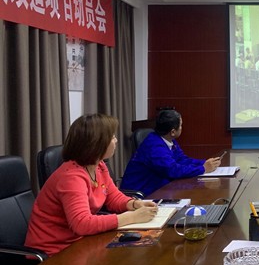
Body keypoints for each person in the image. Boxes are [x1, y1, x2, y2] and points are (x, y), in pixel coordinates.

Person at [25, 114, 158, 256]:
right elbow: (82, 224)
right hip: (52, 252)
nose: (116, 140)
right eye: (112, 137)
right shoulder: (71, 177)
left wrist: (134, 204)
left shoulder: (98, 165)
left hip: (79, 242)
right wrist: (131, 217)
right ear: (97, 143)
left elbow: (113, 197)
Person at [120, 109, 221, 195]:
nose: (181, 128)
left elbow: (181, 159)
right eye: (180, 125)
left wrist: (204, 163)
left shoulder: (167, 139)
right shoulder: (154, 146)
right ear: (173, 132)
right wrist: (202, 169)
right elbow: (172, 170)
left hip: (159, 188)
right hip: (141, 194)